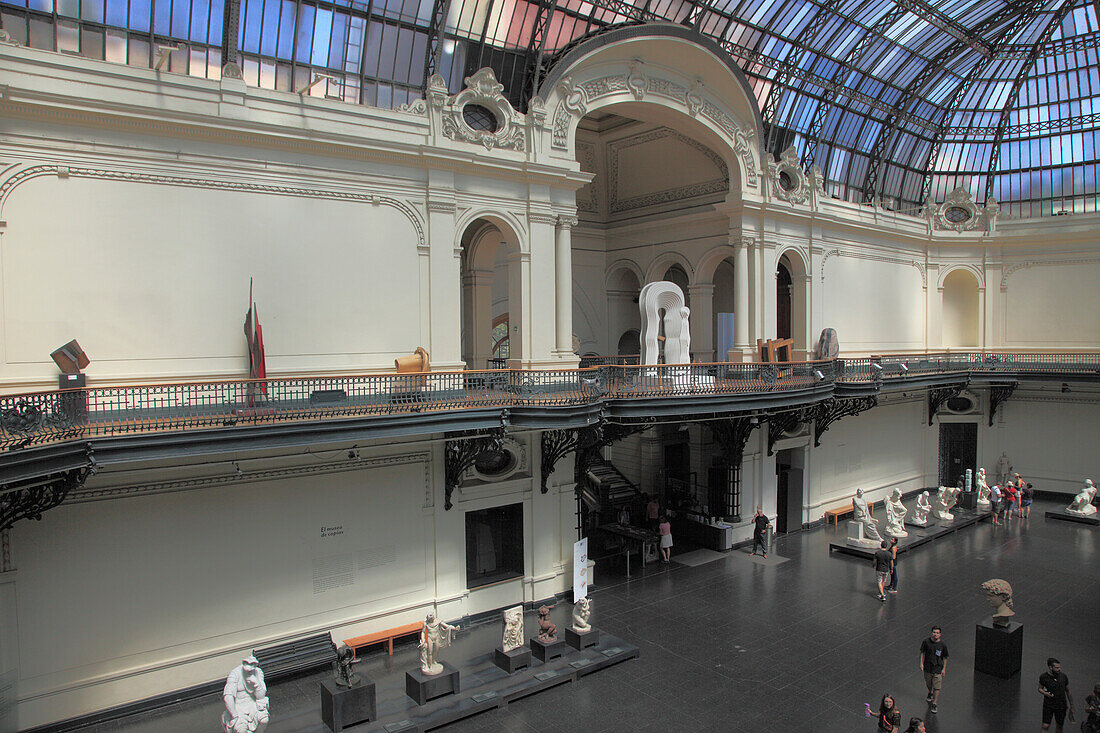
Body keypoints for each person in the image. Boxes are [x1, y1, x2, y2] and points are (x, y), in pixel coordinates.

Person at [221, 656, 269, 733]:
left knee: (264, 720)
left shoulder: (258, 672)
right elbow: (228, 696)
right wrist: (234, 714)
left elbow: (261, 696)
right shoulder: (234, 674)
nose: (250, 671)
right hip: (238, 707)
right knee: (241, 730)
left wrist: (256, 684)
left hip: (252, 704)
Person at [1039, 657, 1075, 732]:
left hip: (1061, 706)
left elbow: (1068, 691)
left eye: (1059, 667)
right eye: (1057, 668)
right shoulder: (1044, 677)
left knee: (1059, 725)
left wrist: (1072, 706)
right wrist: (1046, 693)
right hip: (1048, 705)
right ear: (1050, 667)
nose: (1059, 669)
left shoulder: (1063, 677)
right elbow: (1040, 688)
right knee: (1045, 725)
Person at [919, 626, 949, 714]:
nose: (935, 634)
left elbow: (945, 657)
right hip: (928, 667)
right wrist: (921, 663)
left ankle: (935, 703)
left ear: (940, 634)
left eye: (937, 633)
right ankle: (930, 692)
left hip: (937, 668)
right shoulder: (926, 642)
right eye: (934, 632)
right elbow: (922, 652)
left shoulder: (943, 645)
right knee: (928, 683)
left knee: (937, 686)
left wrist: (944, 669)